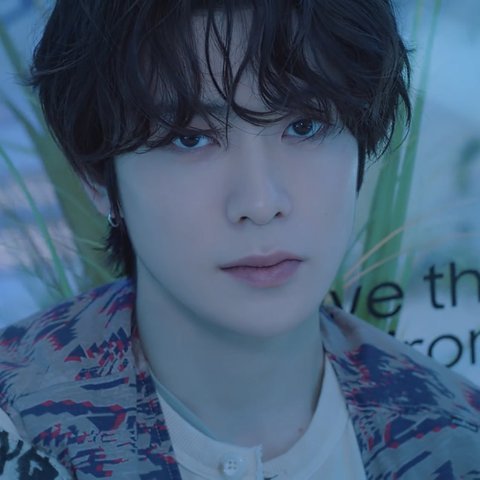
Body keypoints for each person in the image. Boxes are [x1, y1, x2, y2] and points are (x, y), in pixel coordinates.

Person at [0, 0, 479, 478]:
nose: (260, 202)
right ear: (96, 178)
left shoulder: (456, 436)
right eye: (190, 137)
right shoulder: (17, 420)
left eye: (305, 126)